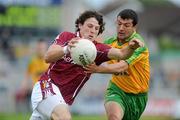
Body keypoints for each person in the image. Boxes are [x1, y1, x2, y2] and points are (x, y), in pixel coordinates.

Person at [30, 10, 144, 120]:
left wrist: (131, 47)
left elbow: (122, 54)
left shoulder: (97, 50)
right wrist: (66, 49)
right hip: (46, 86)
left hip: (62, 100)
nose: (93, 31)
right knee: (64, 117)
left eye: (96, 28)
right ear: (80, 25)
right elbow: (48, 57)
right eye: (90, 26)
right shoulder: (67, 37)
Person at [85, 9, 150, 120]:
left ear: (134, 27)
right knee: (114, 117)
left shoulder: (138, 45)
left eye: (126, 25)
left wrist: (98, 69)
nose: (121, 28)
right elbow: (92, 55)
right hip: (116, 89)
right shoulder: (110, 43)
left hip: (138, 97)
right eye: (119, 24)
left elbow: (122, 67)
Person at [15, 39, 49, 112]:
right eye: (39, 48)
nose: (40, 50)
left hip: (47, 91)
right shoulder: (32, 61)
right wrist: (23, 87)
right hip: (35, 90)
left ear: (46, 49)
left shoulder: (50, 62)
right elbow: (27, 75)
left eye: (42, 48)